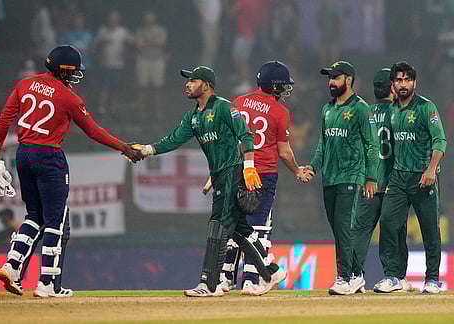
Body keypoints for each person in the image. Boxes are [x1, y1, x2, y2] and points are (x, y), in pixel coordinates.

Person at [0, 44, 142, 297]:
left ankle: (12, 265)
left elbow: (5, 119)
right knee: (55, 220)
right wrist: (123, 147)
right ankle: (47, 284)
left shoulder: (24, 84)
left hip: (23, 154)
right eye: (73, 72)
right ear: (64, 70)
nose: (75, 76)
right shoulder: (68, 97)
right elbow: (92, 131)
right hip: (49, 156)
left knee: (33, 215)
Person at [132, 65, 286, 297]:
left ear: (206, 85)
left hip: (234, 172)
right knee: (240, 230)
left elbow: (245, 135)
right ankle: (271, 271)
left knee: (218, 225)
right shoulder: (194, 116)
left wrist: (249, 167)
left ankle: (209, 284)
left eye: (193, 81)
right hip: (220, 176)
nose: (187, 84)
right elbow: (174, 139)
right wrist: (147, 150)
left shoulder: (225, 107)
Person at [219, 60, 312, 294]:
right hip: (264, 175)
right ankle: (253, 279)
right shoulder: (280, 112)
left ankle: (224, 279)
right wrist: (297, 169)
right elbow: (284, 151)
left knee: (234, 227)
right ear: (275, 85)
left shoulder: (239, 102)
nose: (287, 89)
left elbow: (229, 140)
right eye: (284, 85)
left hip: (238, 172)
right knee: (258, 228)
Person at [304, 60, 378, 295]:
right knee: (339, 230)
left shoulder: (361, 108)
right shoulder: (327, 109)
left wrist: (370, 178)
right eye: (329, 78)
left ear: (348, 80)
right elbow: (322, 146)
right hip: (330, 178)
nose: (330, 82)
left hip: (351, 176)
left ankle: (344, 278)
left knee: (345, 227)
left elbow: (372, 145)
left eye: (335, 77)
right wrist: (313, 168)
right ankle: (356, 275)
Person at [374, 61, 447, 294]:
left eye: (407, 79)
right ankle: (393, 276)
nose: (403, 84)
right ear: (393, 84)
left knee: (429, 230)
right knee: (388, 222)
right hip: (398, 178)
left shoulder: (427, 107)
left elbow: (440, 141)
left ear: (414, 82)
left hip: (423, 178)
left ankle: (433, 279)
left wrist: (431, 169)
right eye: (398, 80)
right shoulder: (392, 111)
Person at [351, 68, 413, 292]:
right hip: (394, 182)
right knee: (395, 231)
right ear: (392, 89)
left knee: (360, 230)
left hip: (368, 181)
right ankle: (397, 276)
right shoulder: (400, 111)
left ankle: (353, 275)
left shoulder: (363, 112)